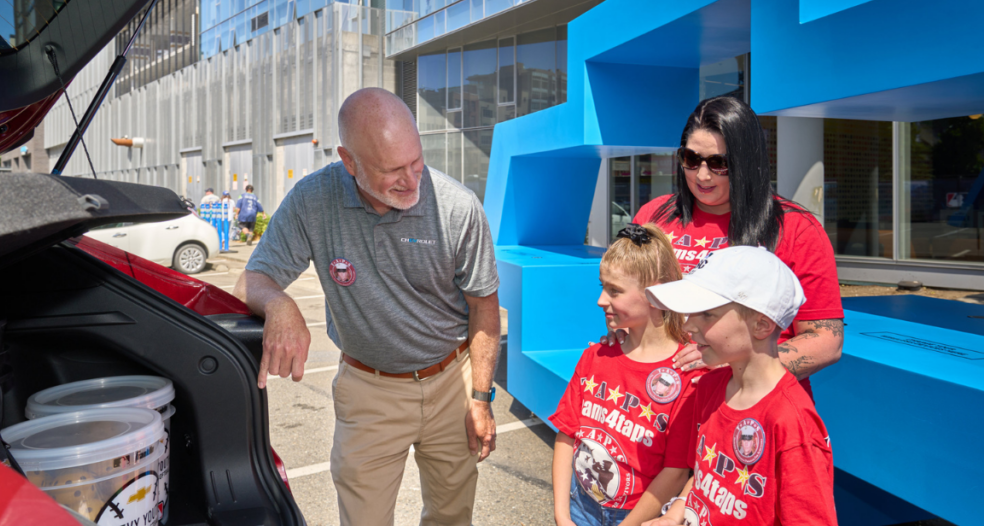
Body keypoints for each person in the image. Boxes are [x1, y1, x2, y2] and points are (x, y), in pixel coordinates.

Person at [234, 88, 501, 526]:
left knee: (452, 516)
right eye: (392, 170)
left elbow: (485, 309)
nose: (412, 180)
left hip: (452, 378)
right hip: (369, 389)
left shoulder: (457, 207)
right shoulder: (313, 201)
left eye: (416, 162)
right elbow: (253, 278)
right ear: (349, 161)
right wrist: (279, 305)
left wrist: (480, 397)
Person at [628, 96, 843, 397]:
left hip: (746, 412)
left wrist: (735, 362)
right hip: (655, 401)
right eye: (691, 159)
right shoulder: (653, 215)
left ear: (748, 162)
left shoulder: (796, 229)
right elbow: (627, 296)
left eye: (719, 164)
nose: (702, 175)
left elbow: (826, 341)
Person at [643, 246, 837, 526]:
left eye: (706, 314)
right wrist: (674, 515)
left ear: (761, 325)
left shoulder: (792, 424)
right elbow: (705, 474)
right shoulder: (710, 387)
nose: (688, 326)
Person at [550, 223, 700, 526]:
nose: (601, 300)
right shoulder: (596, 356)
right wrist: (562, 514)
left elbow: (675, 472)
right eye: (602, 286)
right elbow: (567, 435)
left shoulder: (688, 376)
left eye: (614, 291)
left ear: (656, 293)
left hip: (640, 517)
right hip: (580, 506)